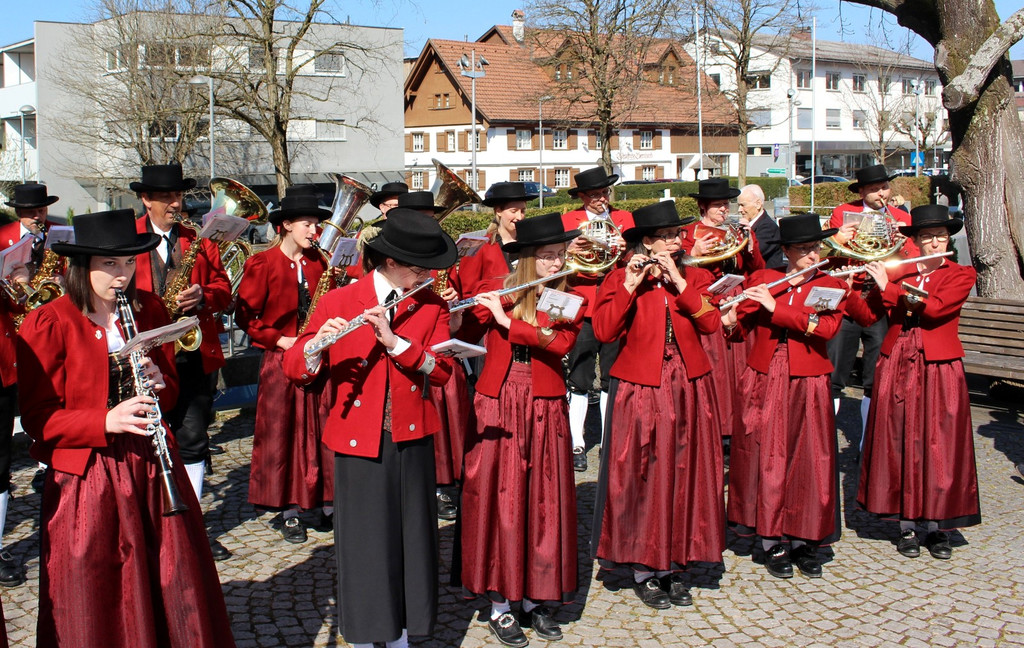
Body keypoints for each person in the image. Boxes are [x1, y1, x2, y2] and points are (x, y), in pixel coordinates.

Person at [15, 209, 235, 647]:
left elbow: (170, 394)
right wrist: (104, 419)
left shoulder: (149, 308)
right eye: (110, 265)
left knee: (171, 574)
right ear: (83, 267)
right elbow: (37, 419)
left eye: (129, 263)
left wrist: (159, 381)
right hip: (88, 476)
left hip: (151, 464)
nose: (122, 275)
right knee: (94, 582)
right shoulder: (51, 321)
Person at [283, 209, 456, 648]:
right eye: (418, 269)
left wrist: (396, 343)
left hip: (411, 435)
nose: (425, 277)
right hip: (356, 437)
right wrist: (318, 346)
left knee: (412, 540)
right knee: (363, 544)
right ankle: (364, 635)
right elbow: (295, 367)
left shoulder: (432, 304)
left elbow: (441, 372)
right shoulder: (341, 300)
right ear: (390, 263)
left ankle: (401, 633)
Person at [458, 212, 584, 647]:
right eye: (547, 256)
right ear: (528, 259)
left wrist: (509, 320)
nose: (556, 263)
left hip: (545, 403)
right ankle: (499, 603)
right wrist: (491, 302)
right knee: (501, 498)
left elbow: (561, 342)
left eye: (559, 255)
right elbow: (464, 322)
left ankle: (536, 597)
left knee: (543, 500)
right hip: (498, 399)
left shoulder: (565, 297)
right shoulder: (498, 289)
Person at [591, 200, 724, 610]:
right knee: (643, 472)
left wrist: (680, 284)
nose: (673, 242)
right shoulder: (620, 278)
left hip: (689, 383)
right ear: (646, 243)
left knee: (687, 471)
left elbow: (711, 323)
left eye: (675, 236)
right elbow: (604, 331)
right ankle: (644, 568)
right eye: (664, 237)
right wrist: (631, 285)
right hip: (639, 386)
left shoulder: (697, 275)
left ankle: (675, 565)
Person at [846, 205, 980, 560]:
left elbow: (934, 309)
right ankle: (905, 524)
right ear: (916, 241)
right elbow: (868, 314)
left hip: (938, 365)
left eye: (940, 236)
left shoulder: (960, 273)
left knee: (939, 443)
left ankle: (937, 527)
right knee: (898, 437)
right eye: (927, 237)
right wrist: (852, 288)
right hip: (896, 361)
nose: (935, 243)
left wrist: (888, 285)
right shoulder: (900, 270)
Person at [721, 212, 847, 579]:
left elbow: (825, 328)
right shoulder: (765, 279)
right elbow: (736, 327)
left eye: (816, 247)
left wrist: (778, 308)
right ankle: (771, 539)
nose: (812, 254)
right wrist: (731, 316)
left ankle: (806, 537)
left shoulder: (828, 284)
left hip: (808, 378)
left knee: (810, 457)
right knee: (766, 456)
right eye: (804, 249)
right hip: (764, 377)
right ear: (788, 251)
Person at [130, 163, 233, 560]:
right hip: (145, 354)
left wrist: (203, 295)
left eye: (178, 197)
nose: (176, 204)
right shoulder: (128, 237)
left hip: (191, 354)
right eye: (167, 198)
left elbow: (224, 289)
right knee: (144, 442)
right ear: (147, 200)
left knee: (193, 439)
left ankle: (191, 525)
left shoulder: (199, 241)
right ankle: (147, 522)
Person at [234, 185, 335, 543]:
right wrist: (279, 339)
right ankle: (288, 508)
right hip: (280, 359)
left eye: (316, 225)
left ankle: (325, 501)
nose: (314, 231)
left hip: (317, 357)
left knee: (321, 429)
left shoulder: (319, 262)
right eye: (307, 224)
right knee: (283, 433)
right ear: (286, 225)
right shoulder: (261, 263)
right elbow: (246, 316)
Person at [0, 183, 63, 587]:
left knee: (50, 407)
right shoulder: (2, 240)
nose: (35, 215)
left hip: (40, 338)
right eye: (28, 210)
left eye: (39, 209)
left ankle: (45, 465)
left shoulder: (57, 236)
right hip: (9, 341)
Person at [827, 164, 914, 434]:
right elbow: (831, 256)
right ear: (862, 191)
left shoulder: (901, 217)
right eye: (874, 189)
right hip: (849, 297)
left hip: (879, 301)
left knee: (875, 377)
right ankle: (825, 436)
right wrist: (840, 238)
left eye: (884, 188)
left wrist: (905, 242)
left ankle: (868, 441)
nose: (881, 194)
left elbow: (910, 261)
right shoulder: (843, 213)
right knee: (835, 372)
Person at [561, 167, 633, 472]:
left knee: (612, 374)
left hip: (616, 303)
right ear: (581, 197)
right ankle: (577, 441)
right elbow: (556, 262)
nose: (601, 200)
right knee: (579, 374)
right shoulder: (568, 222)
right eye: (593, 195)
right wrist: (568, 249)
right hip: (582, 304)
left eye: (604, 193)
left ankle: (607, 440)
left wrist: (627, 252)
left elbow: (634, 257)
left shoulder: (625, 220)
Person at [681, 178, 764, 442]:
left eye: (726, 205)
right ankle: (715, 424)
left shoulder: (736, 231)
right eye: (718, 206)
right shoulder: (689, 232)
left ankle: (738, 423)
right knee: (714, 363)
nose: (724, 211)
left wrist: (751, 248)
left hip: (735, 298)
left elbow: (756, 268)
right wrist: (693, 251)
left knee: (739, 363)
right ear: (703, 207)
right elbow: (680, 268)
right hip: (707, 302)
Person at [458, 181, 537, 296]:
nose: (519, 217)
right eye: (513, 211)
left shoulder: (531, 243)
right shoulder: (478, 247)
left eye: (523, 211)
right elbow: (467, 293)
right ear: (498, 211)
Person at [736, 184, 784, 268]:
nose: (739, 210)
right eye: (738, 205)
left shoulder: (769, 228)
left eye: (743, 205)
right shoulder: (752, 225)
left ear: (758, 204)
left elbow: (752, 254)